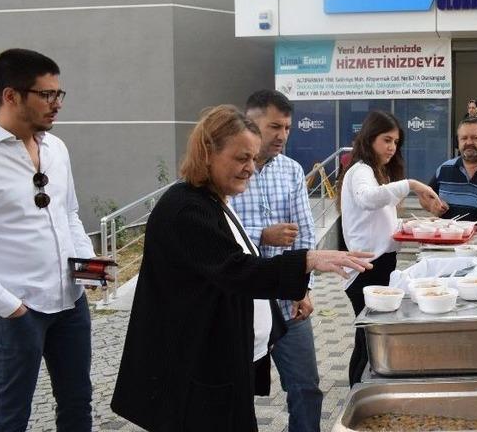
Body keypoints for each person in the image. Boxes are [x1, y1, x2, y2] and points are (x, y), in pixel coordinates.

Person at [111, 105, 372, 431]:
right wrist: (309, 260)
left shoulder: (213, 200)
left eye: (252, 158)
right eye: (240, 158)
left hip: (224, 366)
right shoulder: (186, 207)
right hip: (196, 374)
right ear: (207, 153)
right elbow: (236, 271)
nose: (250, 168)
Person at [0, 49, 97, 432]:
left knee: (78, 403)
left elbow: (69, 214)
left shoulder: (56, 148)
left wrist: (89, 265)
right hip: (14, 310)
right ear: (11, 95)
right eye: (46, 95)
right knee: (12, 415)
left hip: (70, 303)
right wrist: (6, 305)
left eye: (59, 94)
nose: (56, 104)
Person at [230, 90, 323, 432]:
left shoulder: (292, 170)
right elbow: (214, 231)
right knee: (236, 394)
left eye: (287, 127)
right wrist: (261, 234)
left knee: (306, 388)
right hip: (241, 301)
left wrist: (304, 288)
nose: (282, 135)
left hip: (287, 300)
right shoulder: (228, 168)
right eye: (274, 126)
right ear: (249, 122)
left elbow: (306, 235)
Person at [338, 110, 444, 386]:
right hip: (366, 268)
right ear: (370, 138)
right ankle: (358, 394)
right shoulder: (360, 170)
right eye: (386, 140)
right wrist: (411, 184)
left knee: (375, 336)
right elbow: (368, 200)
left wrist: (418, 225)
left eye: (396, 142)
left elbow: (383, 221)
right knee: (368, 337)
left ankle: (367, 390)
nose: (391, 147)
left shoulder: (376, 173)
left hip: (381, 264)